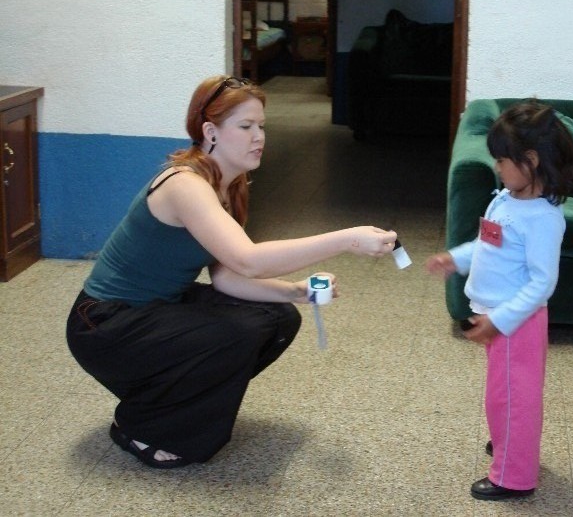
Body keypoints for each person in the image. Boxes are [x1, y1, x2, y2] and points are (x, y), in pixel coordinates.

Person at [66, 75, 397, 469]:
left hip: (154, 308)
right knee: (234, 334)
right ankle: (140, 423)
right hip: (103, 323)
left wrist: (296, 292)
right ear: (211, 132)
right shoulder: (186, 185)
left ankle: (167, 405)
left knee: (275, 318)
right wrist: (345, 239)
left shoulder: (229, 186)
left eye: (261, 126)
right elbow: (248, 260)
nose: (259, 136)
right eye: (245, 127)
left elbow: (225, 277)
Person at [426, 99, 573, 500]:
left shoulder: (542, 219)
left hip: (516, 323)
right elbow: (486, 245)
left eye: (501, 159)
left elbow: (542, 284)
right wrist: (454, 258)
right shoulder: (507, 199)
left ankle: (513, 475)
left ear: (530, 160)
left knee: (512, 398)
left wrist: (502, 320)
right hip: (500, 319)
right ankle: (513, 444)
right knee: (504, 394)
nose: (496, 166)